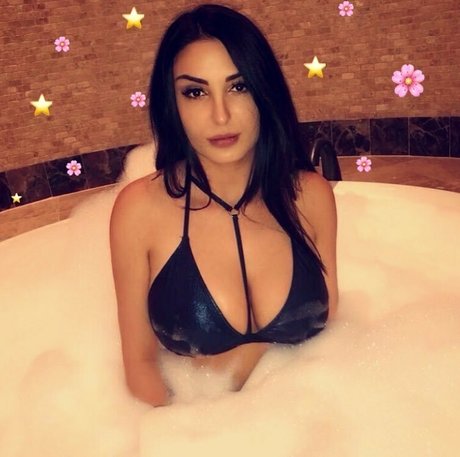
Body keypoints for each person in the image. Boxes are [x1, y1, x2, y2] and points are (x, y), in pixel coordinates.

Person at [109, 3, 338, 407]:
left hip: (317, 417)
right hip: (195, 428)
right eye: (195, 92)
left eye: (239, 86)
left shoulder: (312, 196)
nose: (221, 115)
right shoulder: (139, 212)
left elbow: (334, 328)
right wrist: (183, 433)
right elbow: (140, 366)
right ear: (172, 104)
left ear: (264, 91)